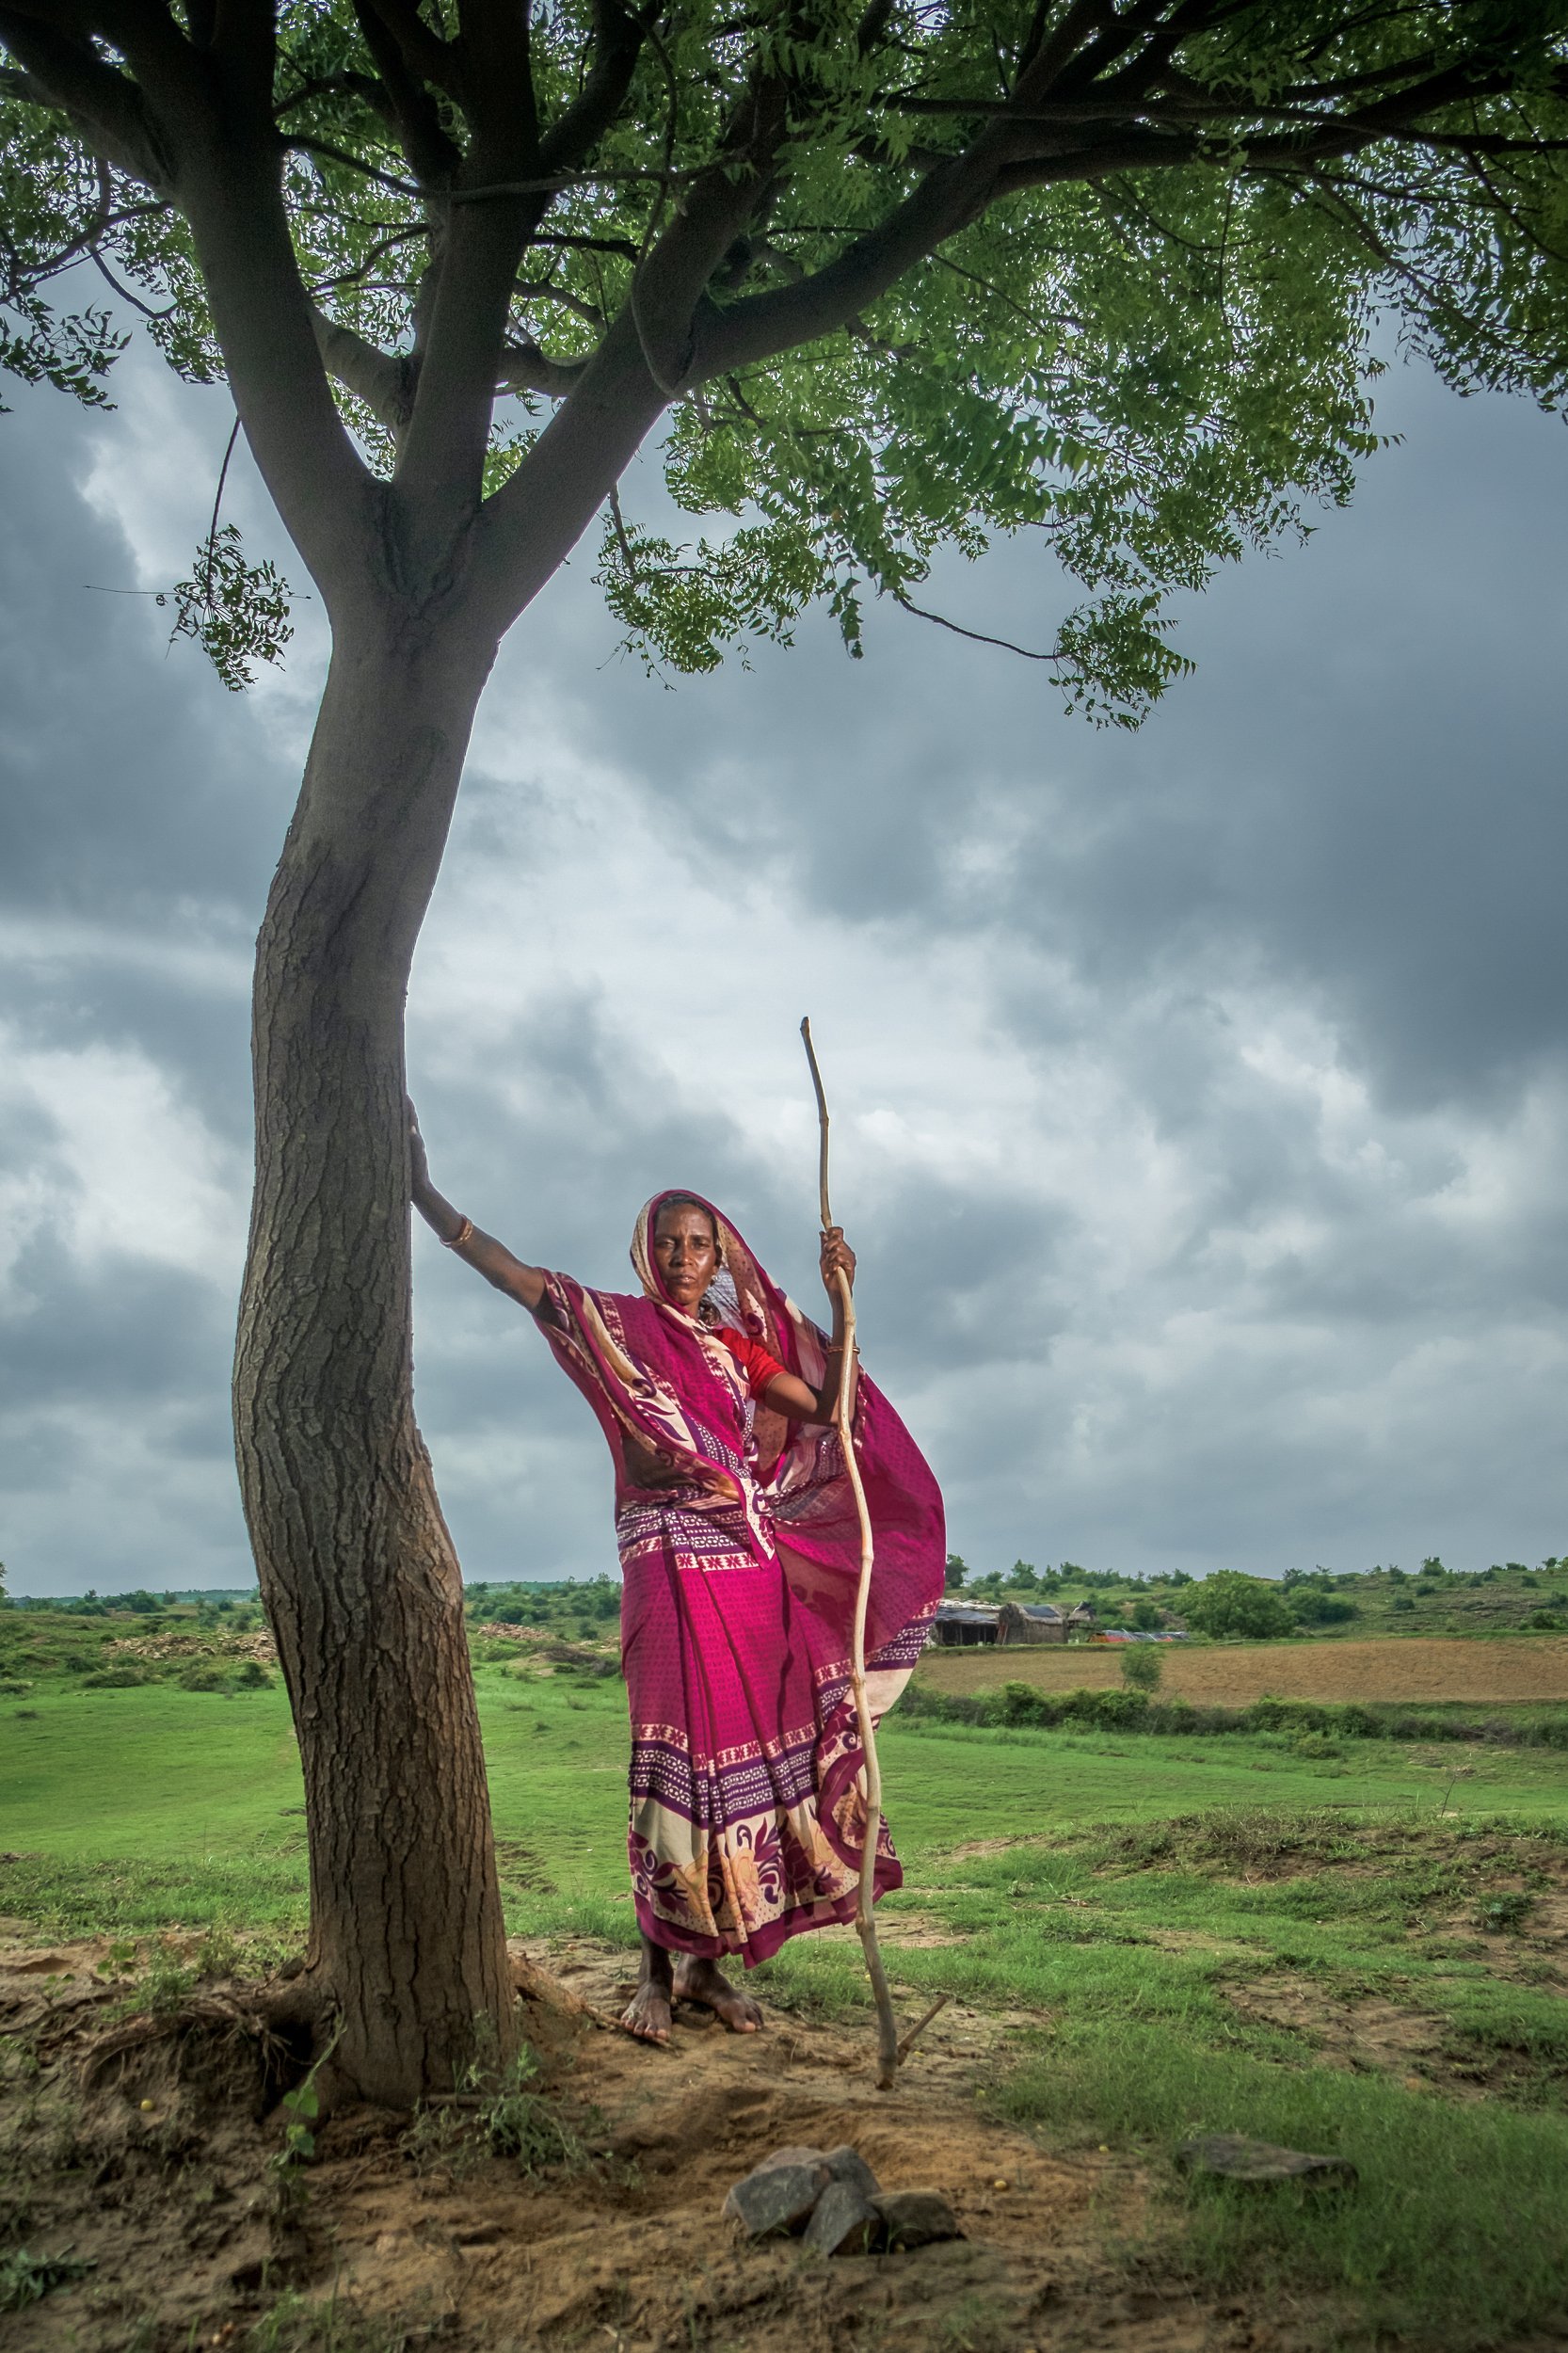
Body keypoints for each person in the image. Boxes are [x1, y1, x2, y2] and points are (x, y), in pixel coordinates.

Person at [408, 1106, 945, 2045]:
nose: (686, 1257)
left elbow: (824, 1405)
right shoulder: (608, 1325)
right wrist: (425, 1195)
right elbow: (511, 1274)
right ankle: (653, 1969)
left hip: (749, 1571)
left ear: (719, 1254)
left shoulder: (733, 1347)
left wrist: (843, 1298)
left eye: (700, 1244)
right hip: (663, 1565)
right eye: (669, 1242)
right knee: (669, 1765)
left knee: (745, 1770)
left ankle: (706, 1970)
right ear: (642, 1252)